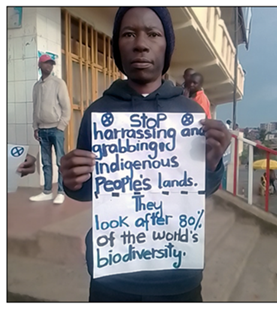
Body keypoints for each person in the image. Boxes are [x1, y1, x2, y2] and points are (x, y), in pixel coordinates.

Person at [59, 7, 229, 302]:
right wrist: (71, 181)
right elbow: (88, 191)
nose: (140, 43)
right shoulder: (98, 113)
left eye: (153, 33)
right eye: (128, 34)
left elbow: (204, 188)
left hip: (180, 276)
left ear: (167, 46)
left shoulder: (190, 114)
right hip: (112, 277)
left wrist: (213, 163)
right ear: (117, 46)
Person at [30, 54, 72, 204]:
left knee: (60, 161)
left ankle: (61, 191)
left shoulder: (58, 83)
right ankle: (47, 191)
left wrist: (61, 127)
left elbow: (67, 108)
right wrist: (36, 127)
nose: (49, 66)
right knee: (46, 162)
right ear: (39, 65)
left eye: (51, 64)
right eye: (46, 63)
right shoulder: (36, 86)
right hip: (42, 130)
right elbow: (35, 108)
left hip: (56, 129)